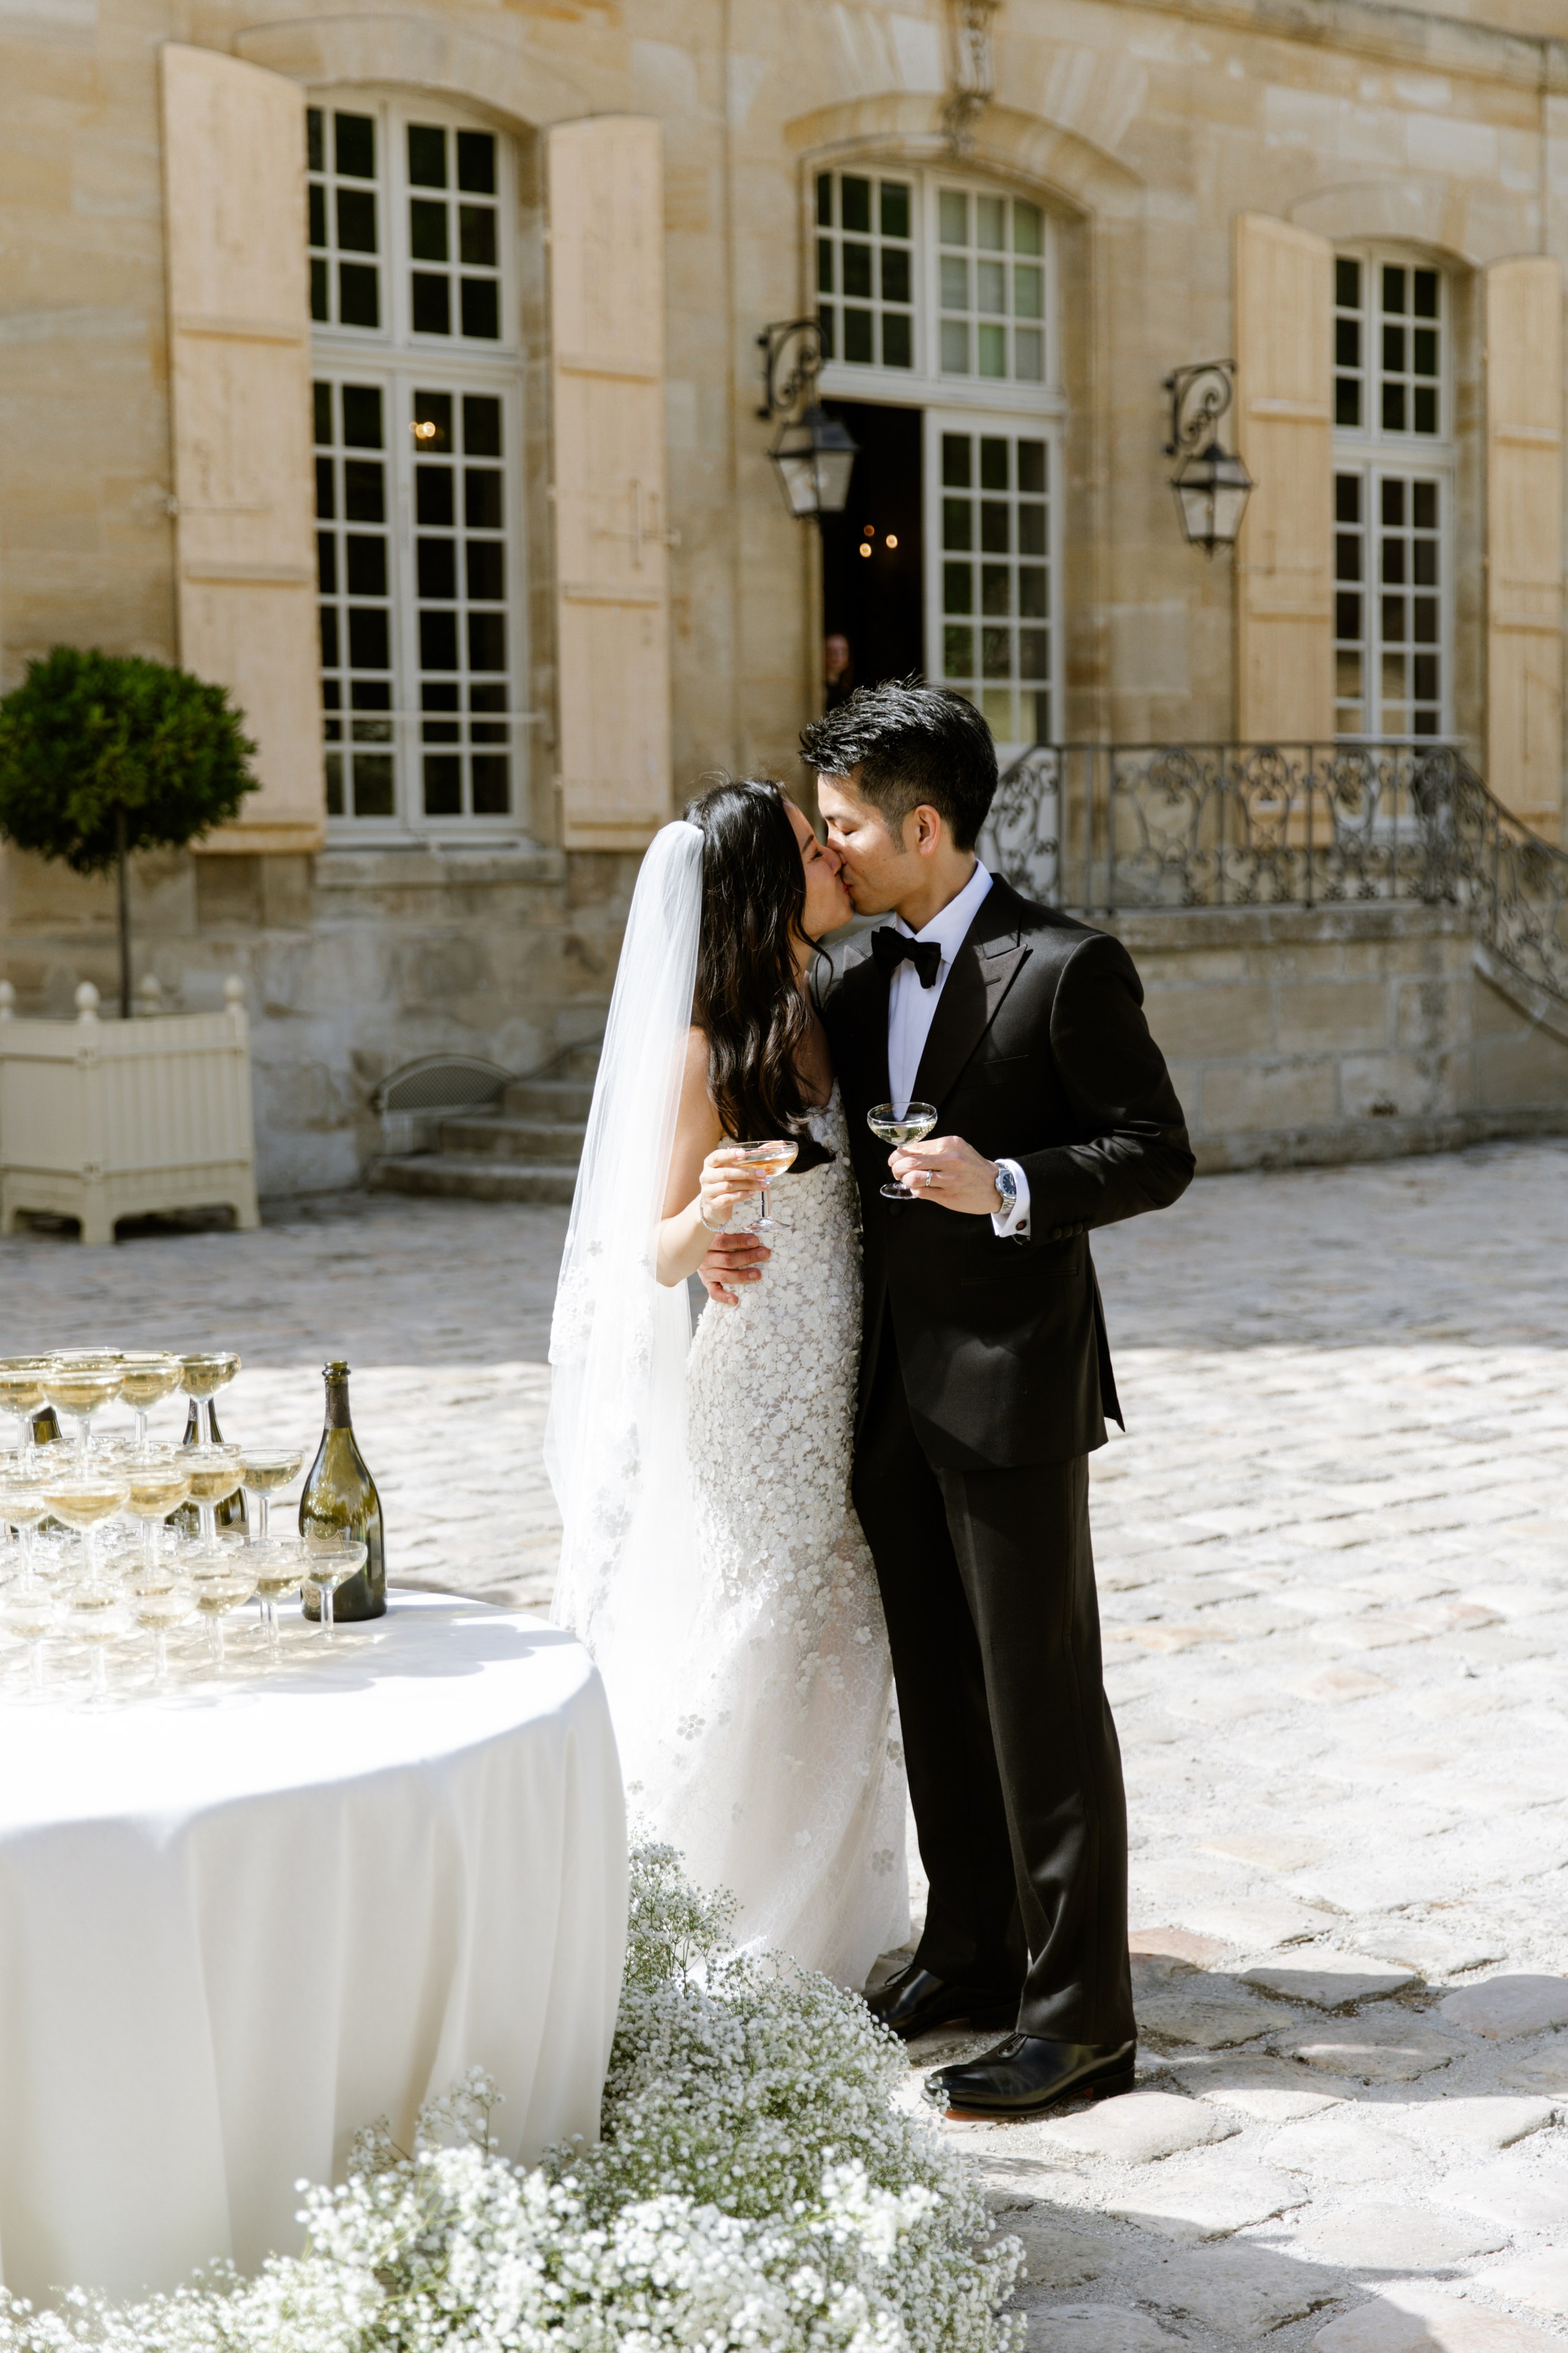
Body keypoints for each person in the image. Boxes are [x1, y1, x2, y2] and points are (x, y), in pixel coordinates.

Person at [699, 681, 1194, 2120]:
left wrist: (1012, 1188)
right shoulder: (853, 986)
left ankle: (1080, 2015)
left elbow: (1154, 1149)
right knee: (936, 1688)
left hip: (1013, 1389)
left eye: (846, 824)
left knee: (1040, 1703)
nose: (833, 849)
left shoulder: (1064, 963)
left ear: (924, 825)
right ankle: (969, 1951)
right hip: (881, 1401)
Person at [546, 779, 908, 1988]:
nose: (834, 860)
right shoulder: (705, 1047)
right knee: (760, 1627)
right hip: (755, 1386)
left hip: (842, 1364)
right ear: (761, 882)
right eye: (812, 848)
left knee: (838, 1635)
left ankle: (835, 1912)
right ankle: (713, 1912)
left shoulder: (824, 1003)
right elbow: (638, 1253)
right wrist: (702, 1217)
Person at [824, 632, 854, 710]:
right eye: (831, 653)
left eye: (843, 652)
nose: (837, 658)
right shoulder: (818, 690)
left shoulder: (847, 689)